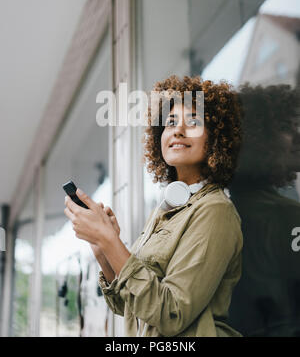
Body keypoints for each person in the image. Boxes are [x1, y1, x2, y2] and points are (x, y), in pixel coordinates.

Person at [64, 75, 244, 337]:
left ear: (216, 139)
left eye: (193, 122)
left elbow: (171, 314)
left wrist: (110, 241)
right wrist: (103, 246)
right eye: (170, 122)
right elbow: (127, 304)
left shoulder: (216, 211)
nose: (177, 130)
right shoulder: (164, 211)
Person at [227, 83, 300, 336]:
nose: (296, 137)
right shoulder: (288, 216)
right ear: (256, 138)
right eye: (285, 128)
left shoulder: (219, 214)